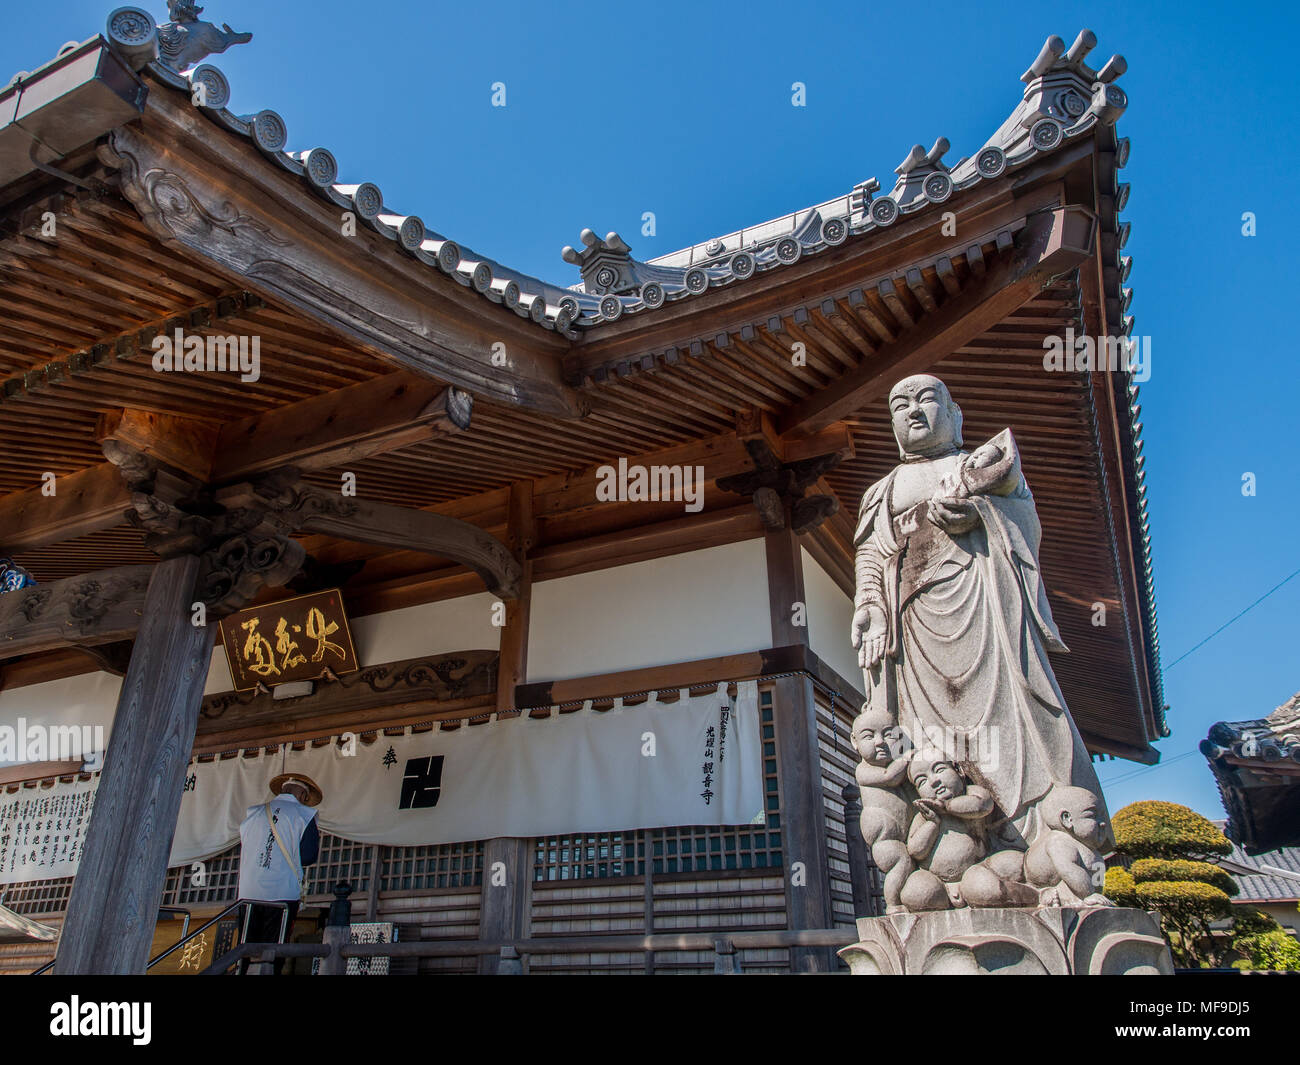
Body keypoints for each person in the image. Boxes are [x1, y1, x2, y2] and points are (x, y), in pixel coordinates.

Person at [237, 772, 322, 974]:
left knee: (245, 950)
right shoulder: (304, 815)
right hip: (281, 894)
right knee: (274, 951)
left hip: (248, 894)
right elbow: (308, 856)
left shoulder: (253, 813)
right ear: (302, 795)